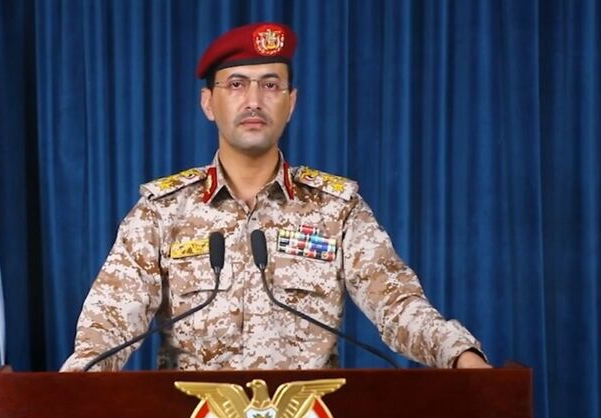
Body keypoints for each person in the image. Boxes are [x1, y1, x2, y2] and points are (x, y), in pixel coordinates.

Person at [61, 22, 490, 371]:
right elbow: (110, 324)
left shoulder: (336, 210)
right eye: (236, 85)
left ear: (291, 103)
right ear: (208, 103)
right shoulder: (162, 212)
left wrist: (459, 355)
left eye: (270, 85)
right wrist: (78, 381)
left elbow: (395, 304)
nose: (253, 101)